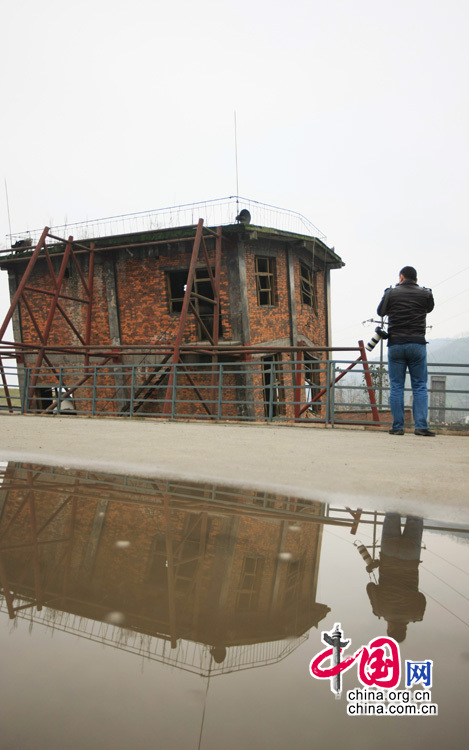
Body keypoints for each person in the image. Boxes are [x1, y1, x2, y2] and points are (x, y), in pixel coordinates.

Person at [377, 266, 434, 436]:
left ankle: (398, 427)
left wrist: (392, 292)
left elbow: (380, 311)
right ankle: (421, 426)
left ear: (401, 277)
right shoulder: (425, 293)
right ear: (416, 279)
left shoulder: (391, 293)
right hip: (417, 344)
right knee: (420, 386)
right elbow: (429, 308)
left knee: (396, 386)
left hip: (396, 344)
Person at [366, 514, 426, 643]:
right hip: (388, 555)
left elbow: (421, 597)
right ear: (390, 629)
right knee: (392, 513)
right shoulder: (379, 610)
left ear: (405, 630)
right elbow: (370, 587)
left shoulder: (416, 615)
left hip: (410, 558)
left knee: (415, 516)